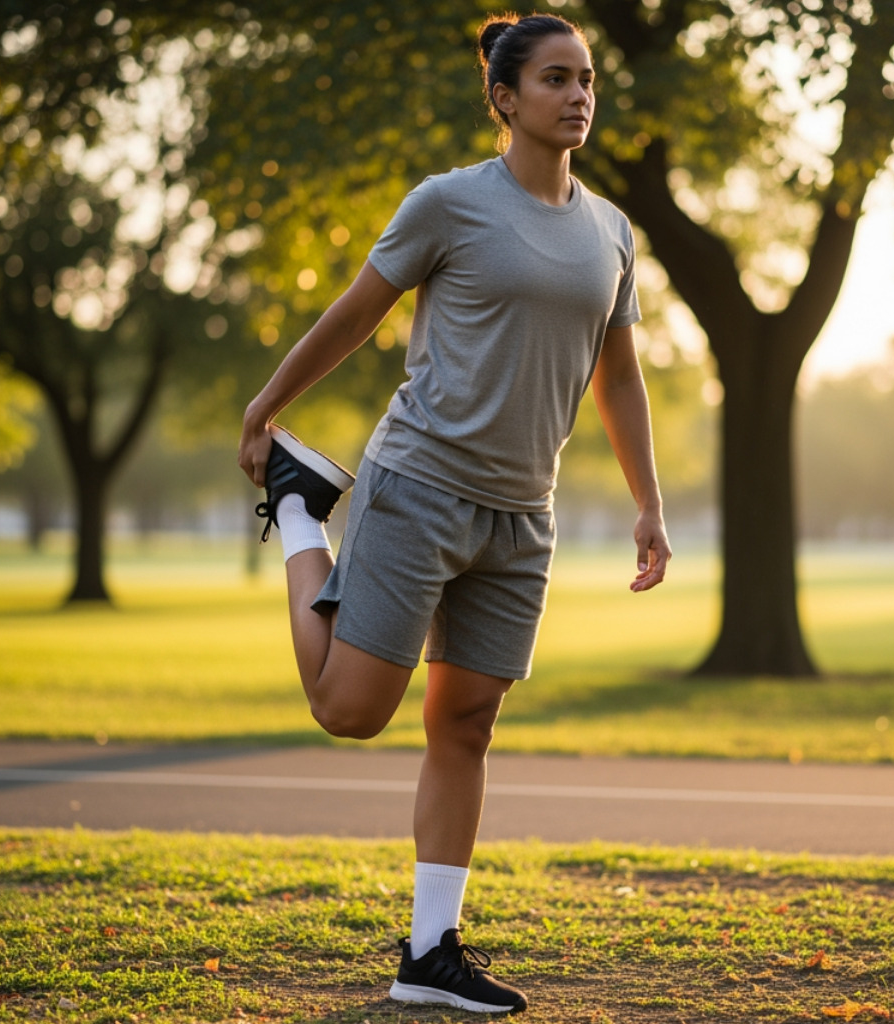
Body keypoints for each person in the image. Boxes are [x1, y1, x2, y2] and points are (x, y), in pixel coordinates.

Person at [237, 12, 671, 1014]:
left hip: (523, 516)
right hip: (419, 484)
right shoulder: (449, 204)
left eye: (588, 80)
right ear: (505, 97)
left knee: (464, 723)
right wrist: (269, 404)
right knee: (350, 710)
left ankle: (430, 952)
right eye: (556, 79)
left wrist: (650, 504)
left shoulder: (613, 230)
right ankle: (301, 513)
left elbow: (620, 375)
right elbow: (357, 310)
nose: (579, 97)